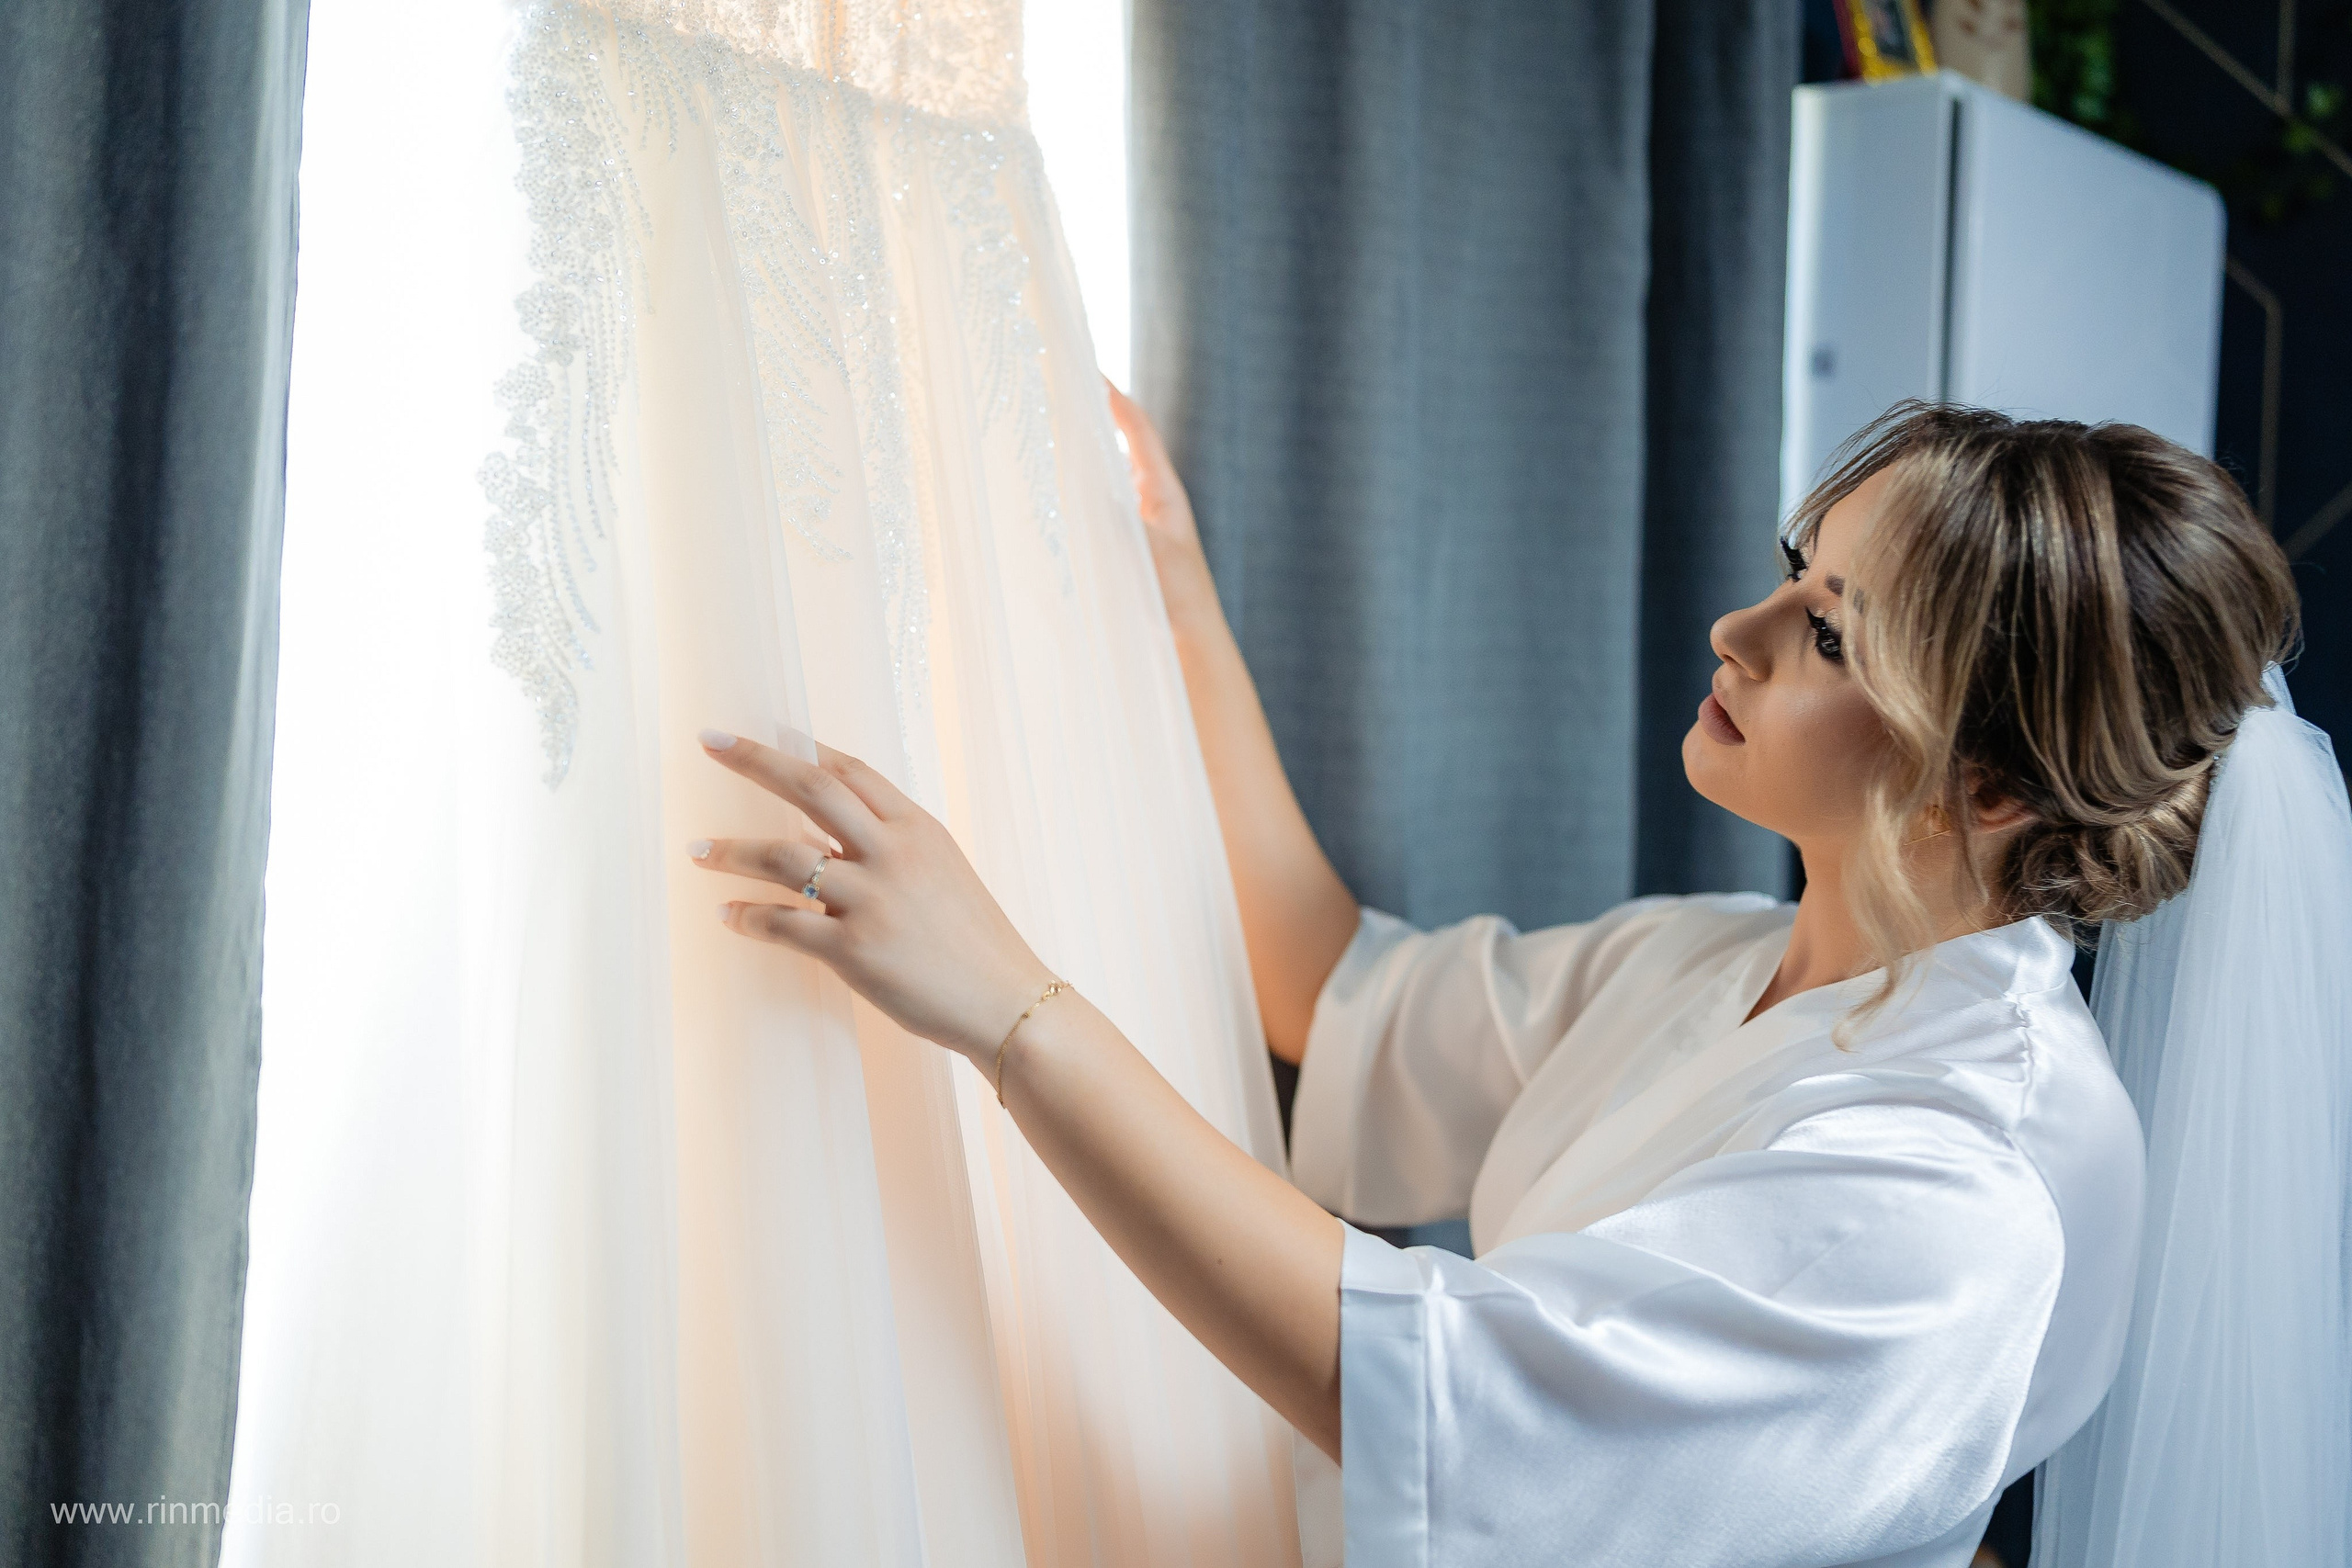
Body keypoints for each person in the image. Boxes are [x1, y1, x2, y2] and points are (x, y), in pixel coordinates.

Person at [684, 395, 2301, 1567]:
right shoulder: (1728, 956)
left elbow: (1417, 1391)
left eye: (1829, 638)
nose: (1736, 630)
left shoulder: (1957, 1211)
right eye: (1791, 573)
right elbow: (1336, 989)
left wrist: (1009, 1010)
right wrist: (1169, 584)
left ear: (1996, 789)